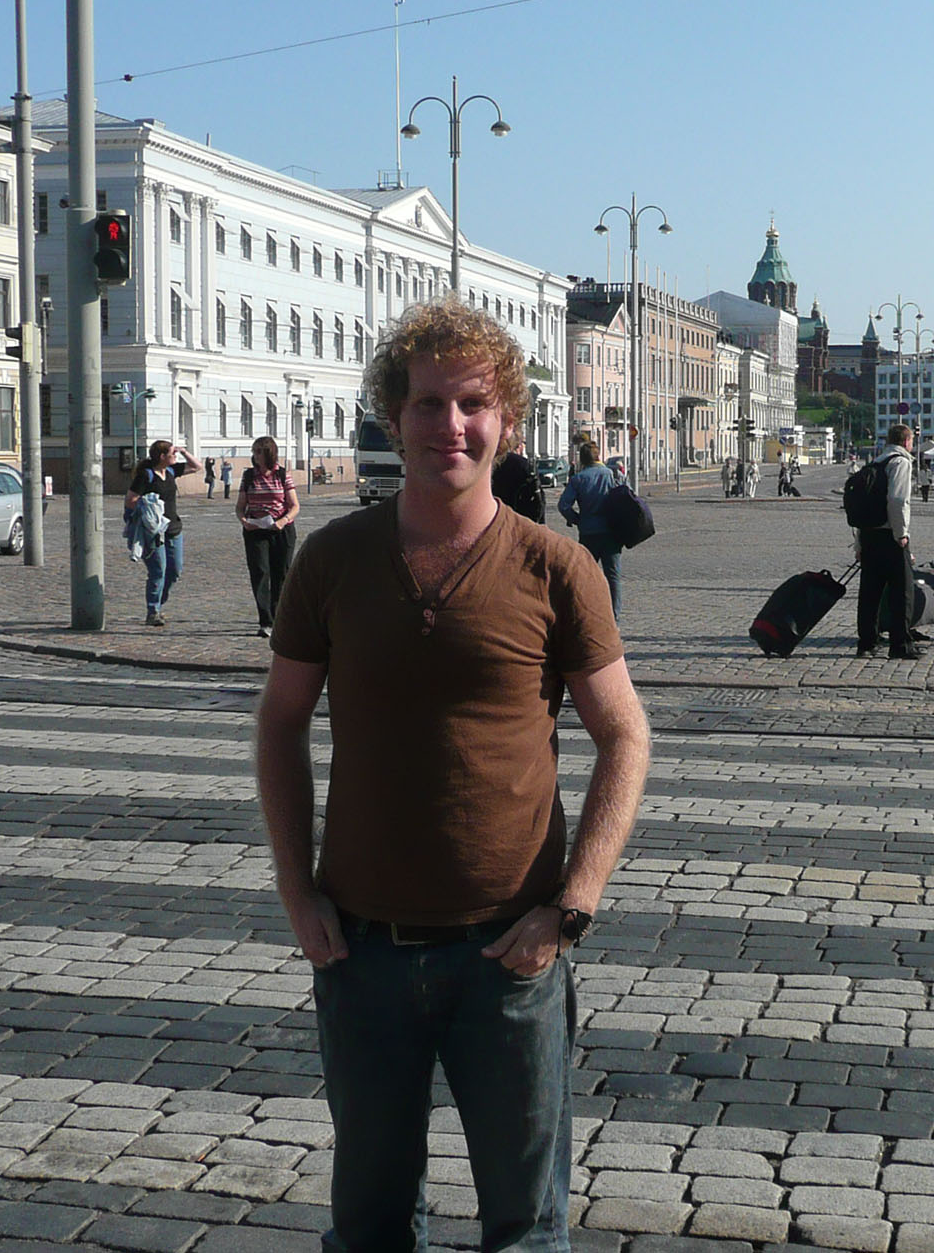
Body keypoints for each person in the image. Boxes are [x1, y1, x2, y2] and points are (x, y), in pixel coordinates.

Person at [256, 297, 650, 1253]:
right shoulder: (334, 558)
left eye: (473, 404)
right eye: (428, 404)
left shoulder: (556, 567)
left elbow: (625, 737)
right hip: (363, 951)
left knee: (525, 1228)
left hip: (508, 953)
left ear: (506, 419)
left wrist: (572, 906)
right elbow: (279, 725)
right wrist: (296, 889)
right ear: (395, 416)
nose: (451, 426)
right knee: (372, 1224)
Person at [854, 424, 919, 660]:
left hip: (869, 534)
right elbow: (898, 499)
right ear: (906, 441)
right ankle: (900, 644)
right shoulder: (900, 462)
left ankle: (867, 642)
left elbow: (864, 506)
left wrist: (860, 544)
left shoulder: (875, 462)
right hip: (890, 535)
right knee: (902, 592)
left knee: (870, 592)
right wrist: (901, 533)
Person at [126, 438, 203, 626]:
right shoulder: (146, 475)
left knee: (175, 570)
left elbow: (197, 466)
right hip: (154, 531)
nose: (175, 455)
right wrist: (148, 506)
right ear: (162, 456)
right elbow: (130, 499)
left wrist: (183, 451)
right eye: (172, 453)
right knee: (157, 571)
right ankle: (153, 611)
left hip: (174, 528)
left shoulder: (170, 471)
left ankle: (159, 603)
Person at [237, 436, 299, 638]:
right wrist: (244, 520)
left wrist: (283, 521)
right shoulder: (249, 476)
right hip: (256, 530)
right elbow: (240, 507)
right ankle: (266, 621)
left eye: (258, 452)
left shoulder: (282, 475)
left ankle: (279, 618)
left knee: (281, 574)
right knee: (260, 572)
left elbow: (294, 505)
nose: (254, 456)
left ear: (268, 453)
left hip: (281, 529)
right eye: (253, 452)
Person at [557, 440, 622, 614]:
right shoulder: (611, 474)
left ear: (583, 460)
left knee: (586, 576)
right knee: (613, 577)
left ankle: (586, 614)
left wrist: (577, 519)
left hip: (588, 533)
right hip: (611, 532)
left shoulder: (578, 479)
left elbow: (563, 505)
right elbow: (627, 495)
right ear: (598, 456)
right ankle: (614, 617)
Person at [492, 435, 545, 523]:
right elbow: (538, 499)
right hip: (520, 517)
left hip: (492, 516)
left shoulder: (488, 462)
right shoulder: (523, 464)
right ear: (519, 446)